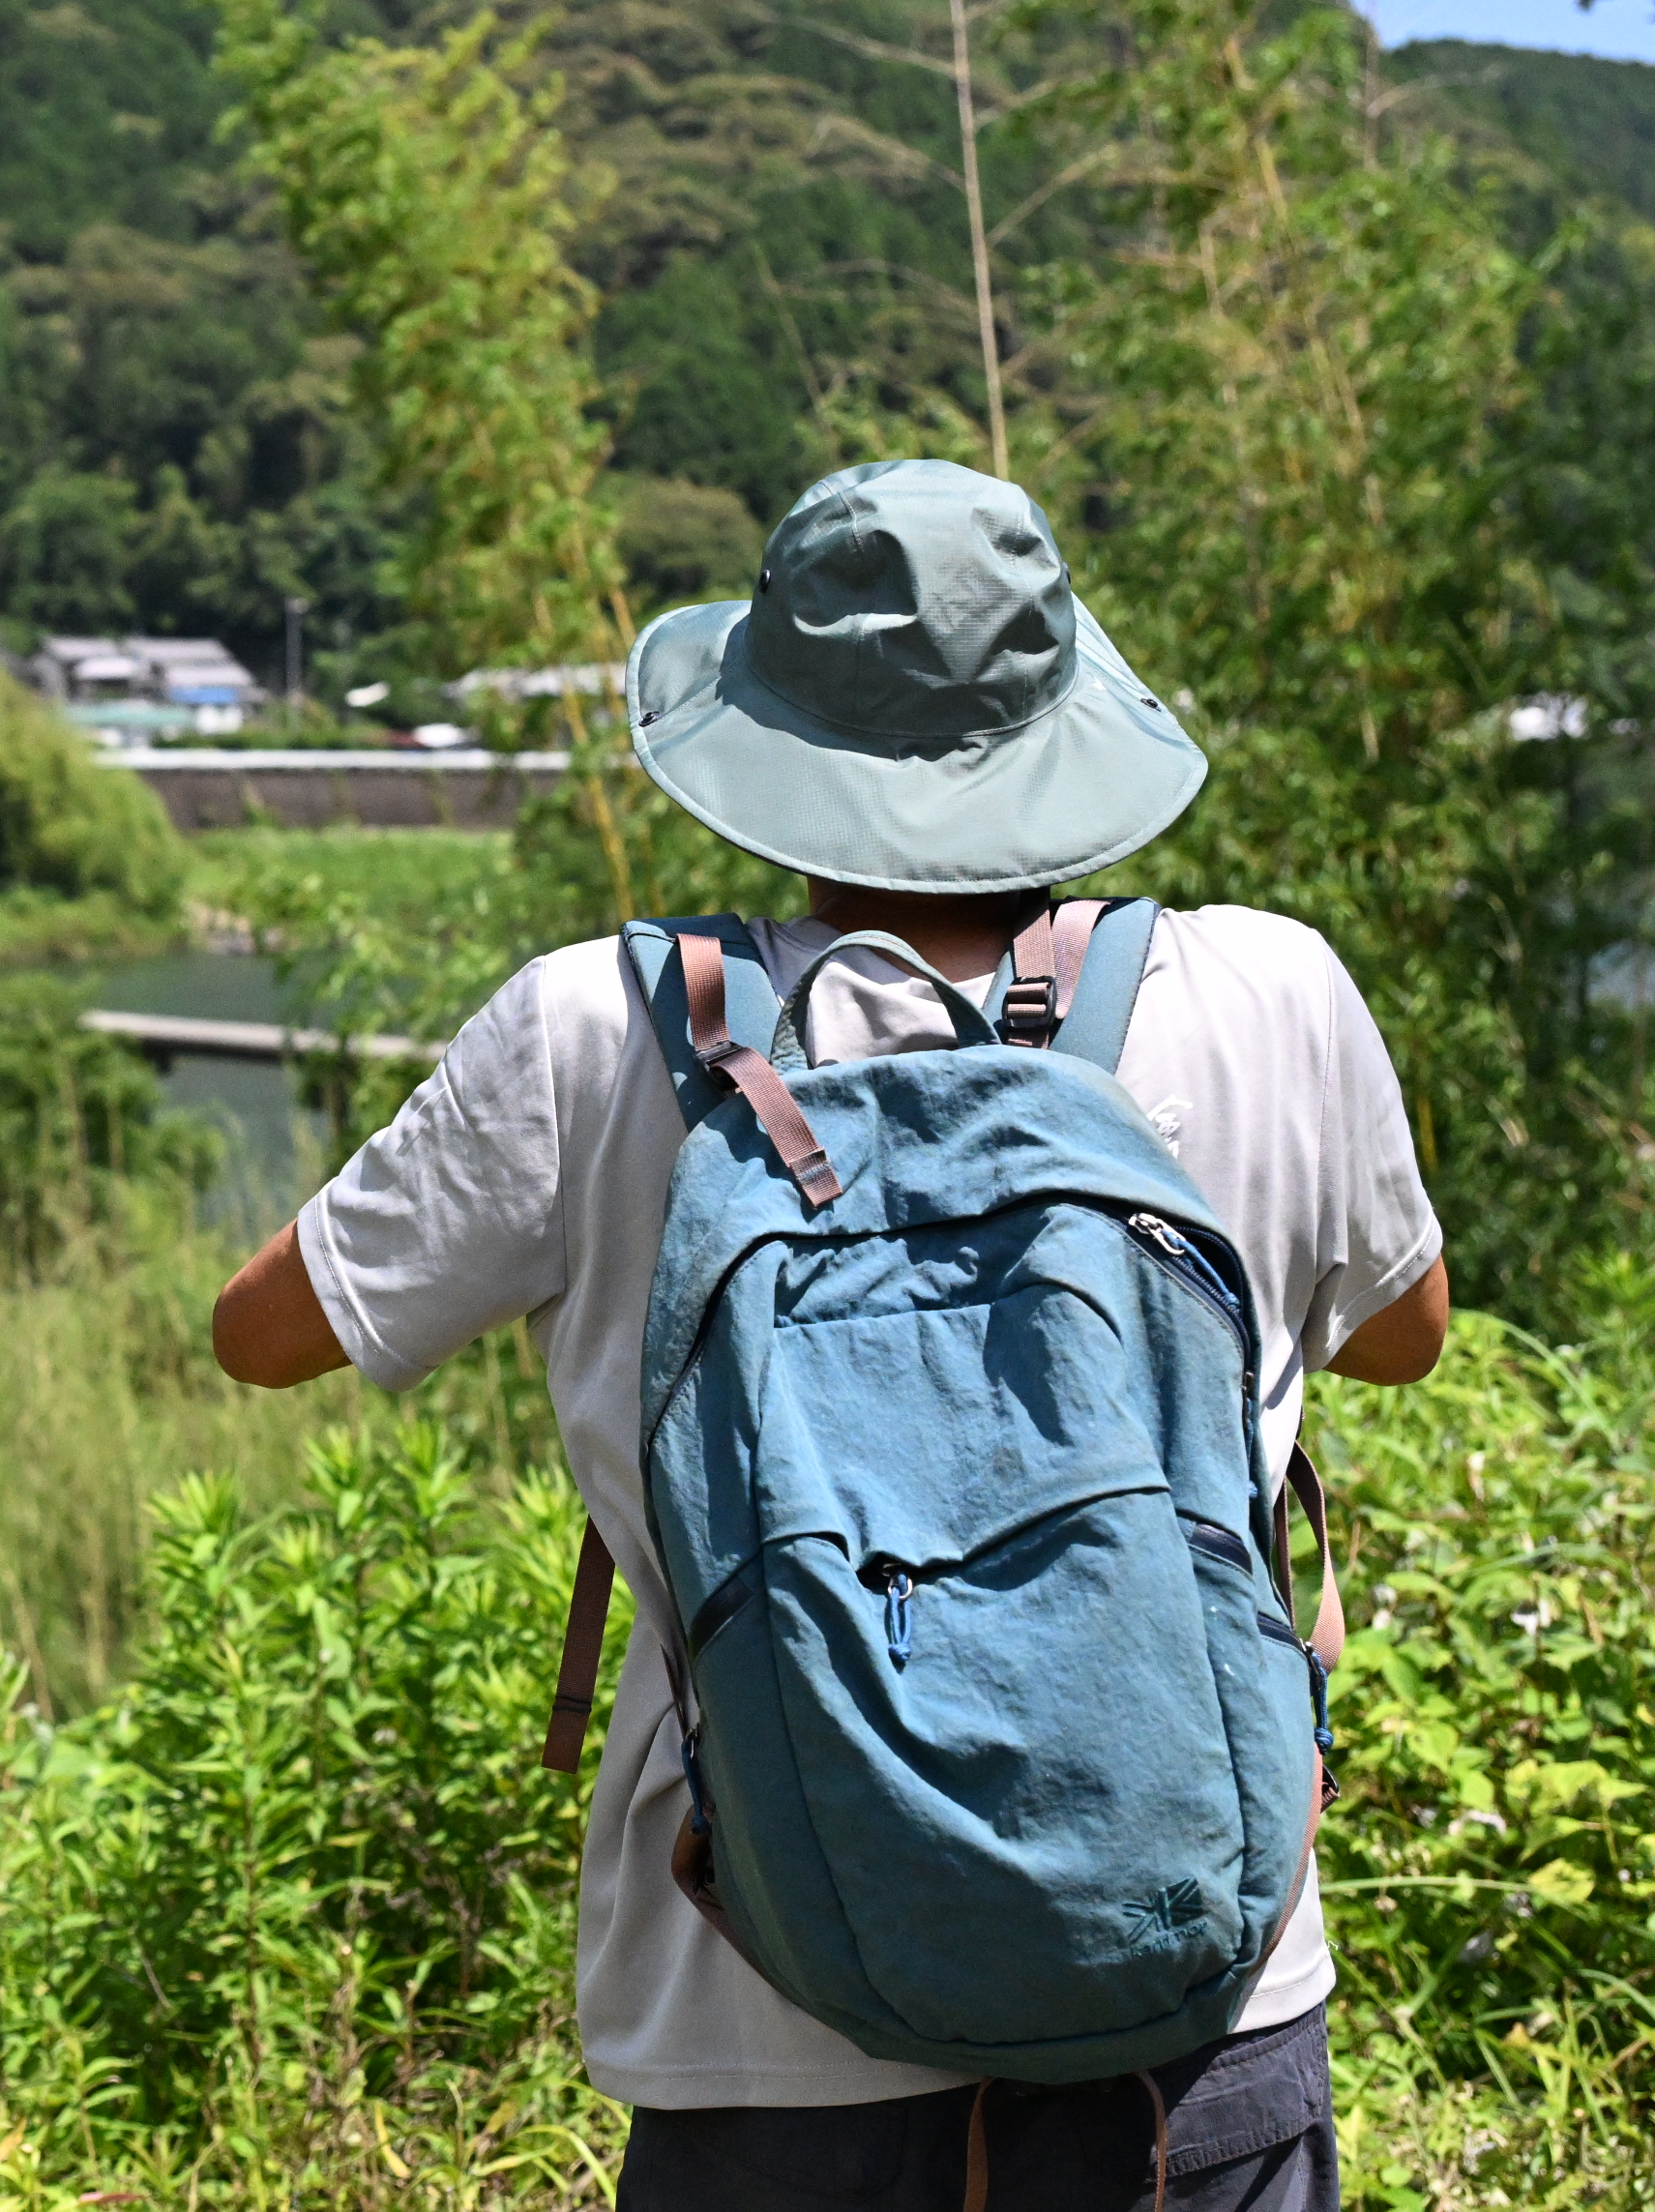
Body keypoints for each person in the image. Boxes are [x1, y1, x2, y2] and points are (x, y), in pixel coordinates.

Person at [209, 460, 1448, 2212]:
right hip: (1199, 2008)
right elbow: (1406, 1336)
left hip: (760, 2005)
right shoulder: (1272, 993)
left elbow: (265, 1333)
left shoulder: (597, 1028)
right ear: (1060, 725)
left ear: (767, 744)